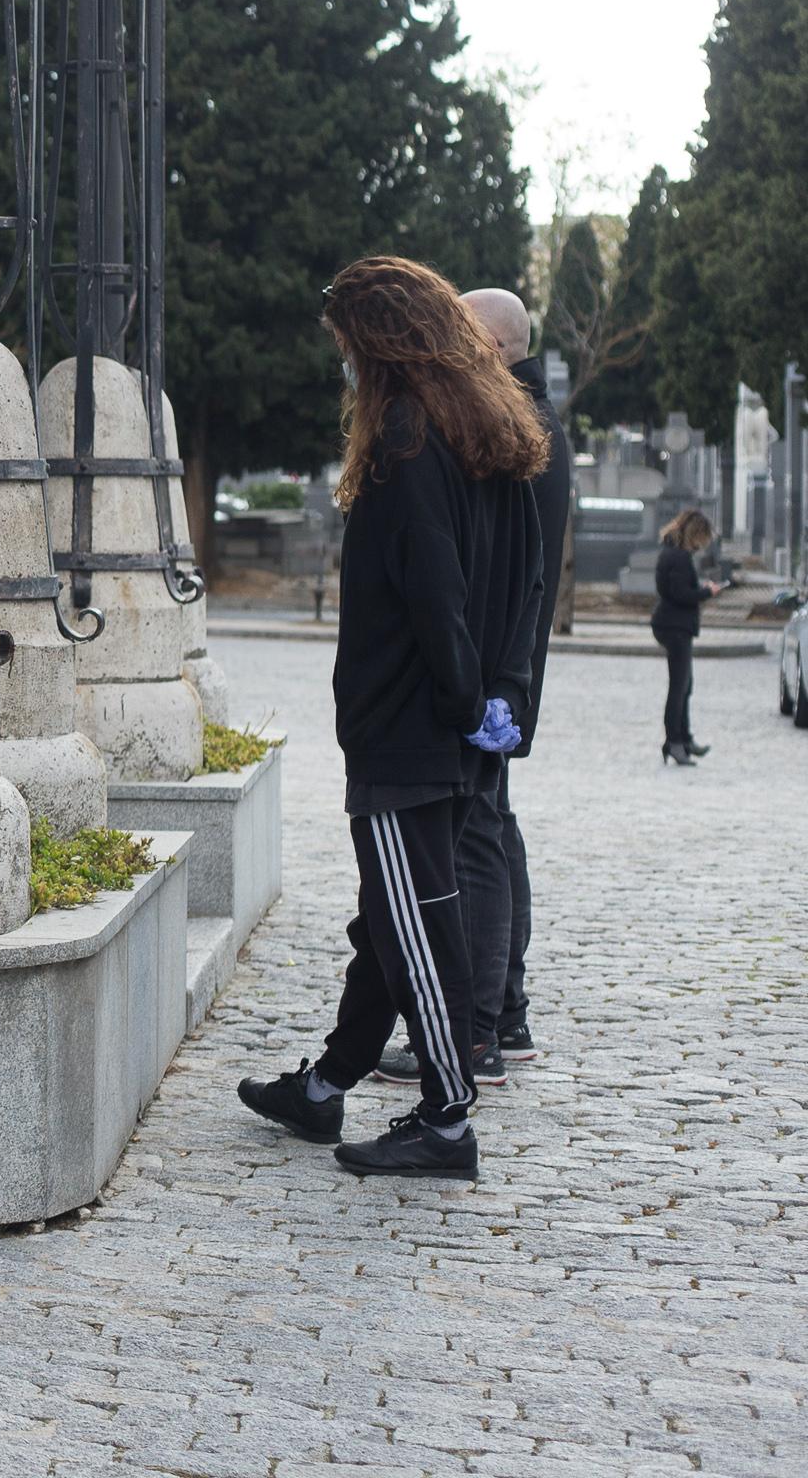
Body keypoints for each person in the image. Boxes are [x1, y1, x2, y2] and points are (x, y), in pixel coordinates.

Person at [239, 256, 544, 1177]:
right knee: (390, 917)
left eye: (345, 348)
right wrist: (500, 699)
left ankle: (447, 1117)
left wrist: (461, 700)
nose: (343, 367)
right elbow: (526, 583)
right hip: (453, 721)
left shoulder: (410, 436)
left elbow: (432, 592)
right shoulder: (479, 425)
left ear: (377, 345)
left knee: (420, 922)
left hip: (409, 725)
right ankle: (327, 1087)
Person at [376, 288, 566, 1091]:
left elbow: (513, 575)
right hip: (496, 677)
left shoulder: (516, 427)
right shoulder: (517, 419)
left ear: (490, 343)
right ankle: (502, 1012)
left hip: (489, 681)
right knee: (492, 830)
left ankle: (477, 1031)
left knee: (479, 838)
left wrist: (488, 692)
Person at [653, 508, 728, 764]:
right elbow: (680, 594)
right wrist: (707, 592)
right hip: (675, 626)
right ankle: (674, 741)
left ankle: (683, 738)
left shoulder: (674, 553)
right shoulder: (678, 557)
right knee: (678, 688)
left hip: (676, 625)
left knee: (685, 686)